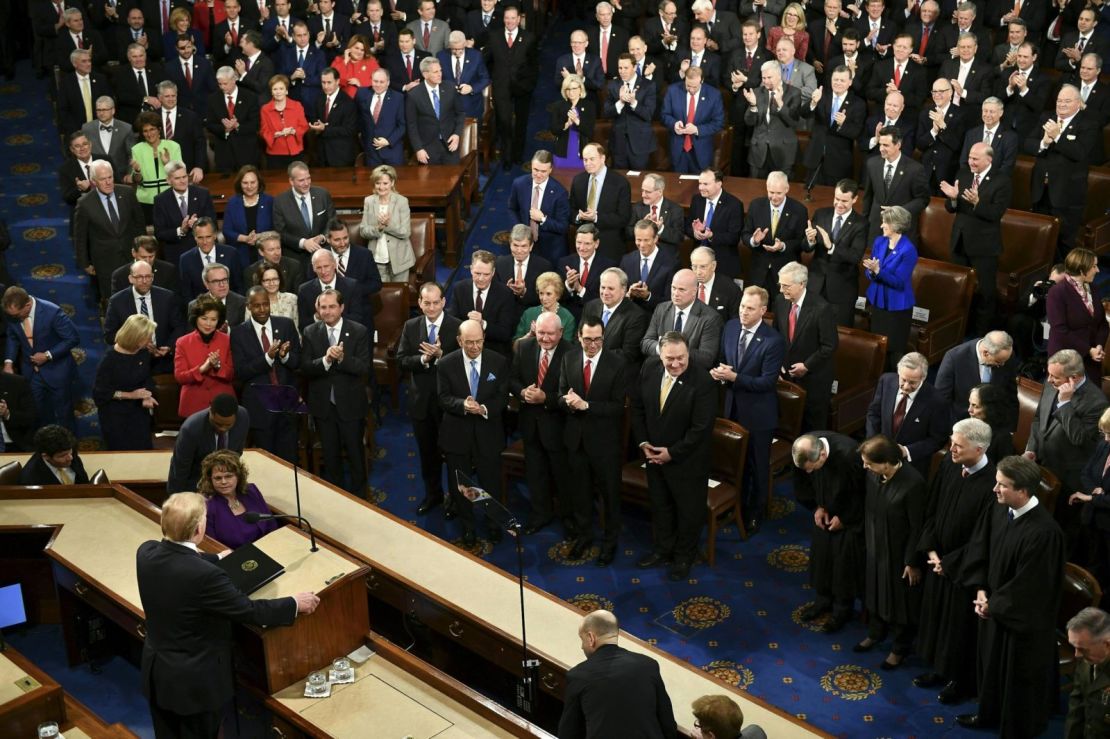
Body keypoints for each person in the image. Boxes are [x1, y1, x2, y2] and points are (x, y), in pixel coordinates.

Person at [136, 492, 318, 739]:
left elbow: (176, 556)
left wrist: (216, 557)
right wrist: (294, 604)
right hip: (194, 685)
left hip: (159, 675)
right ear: (199, 529)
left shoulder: (145, 553)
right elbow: (248, 611)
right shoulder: (205, 576)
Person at [957, 455, 1065, 736]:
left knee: (1013, 680)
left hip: (1019, 622)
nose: (995, 490)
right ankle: (987, 712)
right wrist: (981, 590)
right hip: (991, 608)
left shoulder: (1044, 533)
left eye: (1002, 485)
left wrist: (993, 605)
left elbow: (1030, 586)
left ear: (1023, 491)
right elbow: (980, 548)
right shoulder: (998, 510)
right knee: (989, 667)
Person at [914, 418, 997, 705]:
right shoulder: (950, 464)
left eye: (958, 445)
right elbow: (933, 507)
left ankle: (959, 681)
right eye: (952, 441)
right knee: (936, 621)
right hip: (938, 560)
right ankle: (938, 668)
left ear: (979, 448)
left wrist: (948, 563)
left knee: (958, 630)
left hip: (964, 571)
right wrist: (931, 550)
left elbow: (983, 537)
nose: (951, 448)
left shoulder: (993, 484)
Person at [632, 332, 717, 581]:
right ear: (660, 355)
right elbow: (637, 406)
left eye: (681, 358)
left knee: (688, 512)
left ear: (688, 353)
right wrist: (643, 442)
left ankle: (684, 557)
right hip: (654, 456)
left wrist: (671, 453)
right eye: (670, 359)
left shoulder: (702, 381)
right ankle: (663, 549)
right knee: (661, 506)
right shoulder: (649, 367)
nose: (676, 364)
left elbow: (701, 429)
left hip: (687, 462)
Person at [713, 286, 785, 533]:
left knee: (756, 466)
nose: (743, 312)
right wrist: (720, 374)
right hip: (731, 408)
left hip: (758, 414)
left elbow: (767, 382)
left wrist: (734, 377)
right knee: (734, 463)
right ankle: (737, 505)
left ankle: (756, 512)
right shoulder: (731, 327)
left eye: (750, 308)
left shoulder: (773, 341)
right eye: (743, 306)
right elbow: (725, 359)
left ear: (763, 311)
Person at [559, 317, 629, 566]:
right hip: (576, 441)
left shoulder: (618, 363)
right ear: (579, 337)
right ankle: (584, 535)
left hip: (605, 443)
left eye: (598, 339)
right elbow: (561, 394)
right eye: (587, 339)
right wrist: (567, 402)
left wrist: (586, 405)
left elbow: (618, 407)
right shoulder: (569, 358)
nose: (593, 344)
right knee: (580, 493)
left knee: (610, 496)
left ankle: (610, 543)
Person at [1025, 349, 1109, 548]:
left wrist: (1065, 404)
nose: (1049, 379)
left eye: (1055, 376)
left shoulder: (1096, 402)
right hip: (1041, 464)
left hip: (1068, 477)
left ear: (1074, 378)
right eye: (1049, 374)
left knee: (1059, 531)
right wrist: (1032, 448)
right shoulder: (1051, 382)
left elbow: (1080, 439)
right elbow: (1038, 420)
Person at [437, 319, 509, 548]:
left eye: (479, 341)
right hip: (457, 434)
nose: (475, 347)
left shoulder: (498, 362)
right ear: (459, 341)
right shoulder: (446, 364)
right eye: (469, 342)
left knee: (491, 483)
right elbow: (443, 398)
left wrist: (484, 409)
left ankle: (493, 525)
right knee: (461, 486)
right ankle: (467, 528)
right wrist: (462, 405)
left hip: (488, 433)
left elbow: (501, 396)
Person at [857, 434, 926, 670]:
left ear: (886, 462)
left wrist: (912, 561)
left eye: (869, 463)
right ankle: (875, 633)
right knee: (874, 592)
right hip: (876, 548)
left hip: (899, 556)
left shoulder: (913, 483)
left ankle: (899, 649)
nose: (865, 467)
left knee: (899, 604)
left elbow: (918, 526)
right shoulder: (874, 475)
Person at [558, 609, 677, 739]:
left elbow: (569, 733)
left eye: (582, 639)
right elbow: (668, 723)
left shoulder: (577, 676)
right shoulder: (648, 665)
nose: (582, 646)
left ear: (591, 638)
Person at [398, 282, 461, 516]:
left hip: (450, 404)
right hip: (421, 403)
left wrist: (441, 355)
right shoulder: (411, 326)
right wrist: (423, 360)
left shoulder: (457, 327)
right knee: (427, 454)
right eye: (427, 302)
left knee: (453, 456)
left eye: (436, 302)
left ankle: (456, 501)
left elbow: (464, 361)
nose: (432, 307)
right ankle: (433, 495)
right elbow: (402, 360)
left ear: (444, 302)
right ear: (420, 303)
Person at [301, 289, 371, 497]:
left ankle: (361, 498)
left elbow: (363, 367)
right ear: (317, 309)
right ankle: (337, 498)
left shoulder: (358, 331)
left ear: (341, 308)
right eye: (323, 307)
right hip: (323, 406)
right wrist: (326, 360)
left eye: (332, 306)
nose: (328, 311)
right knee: (331, 457)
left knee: (355, 455)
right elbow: (305, 368)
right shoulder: (310, 332)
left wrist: (341, 358)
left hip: (350, 404)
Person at [793, 431, 866, 632]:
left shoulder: (851, 455)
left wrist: (845, 518)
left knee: (843, 565)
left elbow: (862, 493)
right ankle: (822, 600)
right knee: (822, 558)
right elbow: (803, 483)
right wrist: (817, 507)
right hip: (824, 512)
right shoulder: (804, 448)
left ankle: (842, 610)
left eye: (813, 468)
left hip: (848, 519)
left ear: (823, 456)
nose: (809, 472)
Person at [510, 312, 573, 536]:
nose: (544, 338)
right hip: (529, 424)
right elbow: (513, 378)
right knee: (535, 473)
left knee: (562, 475)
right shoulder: (524, 347)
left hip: (558, 426)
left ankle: (569, 518)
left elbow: (570, 394)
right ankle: (540, 514)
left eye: (549, 334)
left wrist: (545, 398)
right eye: (541, 333)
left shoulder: (571, 352)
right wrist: (521, 391)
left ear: (561, 333)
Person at [942, 142, 1013, 337]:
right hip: (960, 241)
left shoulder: (1002, 181)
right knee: (958, 291)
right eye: (970, 157)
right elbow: (951, 208)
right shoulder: (963, 174)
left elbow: (996, 213)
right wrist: (954, 198)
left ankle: (981, 336)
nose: (970, 161)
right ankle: (957, 331)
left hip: (984, 247)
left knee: (985, 294)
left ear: (989, 159)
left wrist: (977, 203)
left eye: (975, 158)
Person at [1028, 85, 1100, 258]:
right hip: (1041, 192)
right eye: (1059, 100)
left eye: (1067, 101)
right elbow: (1028, 143)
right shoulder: (1047, 117)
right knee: (1040, 243)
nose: (1061, 104)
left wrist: (1058, 136)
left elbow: (1079, 152)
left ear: (1078, 103)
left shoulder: (1088, 124)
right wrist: (1044, 143)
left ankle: (1065, 282)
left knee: (1063, 245)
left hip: (1067, 196)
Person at [230, 286, 301, 463]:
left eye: (265, 304)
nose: (262, 310)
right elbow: (241, 372)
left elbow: (298, 362)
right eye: (257, 306)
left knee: (289, 461)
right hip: (259, 407)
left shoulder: (285, 325)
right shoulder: (238, 333)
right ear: (248, 306)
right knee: (268, 462)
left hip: (287, 405)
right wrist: (267, 358)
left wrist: (285, 357)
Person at [2, 287, 80, 432]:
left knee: (63, 413)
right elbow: (13, 337)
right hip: (30, 373)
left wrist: (48, 355)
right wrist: (8, 362)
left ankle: (68, 446)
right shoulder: (12, 316)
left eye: (18, 314)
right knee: (35, 412)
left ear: (27, 305)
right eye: (12, 315)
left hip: (57, 370)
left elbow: (72, 338)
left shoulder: (52, 312)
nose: (16, 318)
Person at [774, 262, 838, 432]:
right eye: (780, 284)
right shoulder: (780, 301)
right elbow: (775, 336)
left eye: (786, 286)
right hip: (786, 375)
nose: (781, 290)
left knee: (811, 429)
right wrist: (777, 362)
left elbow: (829, 345)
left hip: (813, 380)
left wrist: (807, 366)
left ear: (801, 284)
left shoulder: (821, 308)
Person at [73, 160, 147, 303]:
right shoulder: (85, 203)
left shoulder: (127, 193)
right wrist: (85, 263)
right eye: (102, 179)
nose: (108, 182)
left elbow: (139, 224)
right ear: (94, 181)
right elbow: (80, 237)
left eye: (110, 177)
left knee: (139, 295)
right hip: (104, 261)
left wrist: (142, 250)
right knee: (113, 300)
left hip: (131, 255)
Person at [864, 352, 948, 478]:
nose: (906, 386)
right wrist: (873, 444)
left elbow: (937, 440)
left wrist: (906, 451)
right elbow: (874, 414)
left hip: (911, 468)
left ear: (923, 378)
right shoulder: (886, 381)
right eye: (903, 380)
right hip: (878, 462)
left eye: (913, 382)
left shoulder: (936, 401)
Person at [803, 179, 867, 327]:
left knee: (838, 334)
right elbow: (805, 247)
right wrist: (810, 240)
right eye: (837, 199)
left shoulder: (861, 224)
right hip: (815, 285)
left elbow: (855, 256)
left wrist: (831, 247)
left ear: (855, 199)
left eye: (844, 201)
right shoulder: (821, 214)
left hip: (841, 290)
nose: (839, 204)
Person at [104, 261, 183, 376]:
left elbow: (179, 326)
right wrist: (137, 344)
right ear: (131, 278)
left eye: (148, 276)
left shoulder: (167, 297)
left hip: (163, 360)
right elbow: (109, 335)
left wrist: (169, 347)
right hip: (131, 360)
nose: (145, 281)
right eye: (140, 277)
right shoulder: (117, 301)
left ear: (152, 277)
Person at [864, 205, 918, 371]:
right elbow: (870, 272)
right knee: (878, 345)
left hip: (897, 307)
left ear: (895, 225)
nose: (881, 226)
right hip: (878, 302)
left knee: (893, 351)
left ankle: (895, 383)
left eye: (885, 223)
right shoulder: (879, 242)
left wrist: (878, 271)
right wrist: (872, 272)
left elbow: (899, 282)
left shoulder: (909, 250)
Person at [94, 314, 158, 451]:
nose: (150, 340)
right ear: (135, 337)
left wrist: (147, 395)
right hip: (115, 414)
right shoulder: (109, 360)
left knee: (144, 451)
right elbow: (100, 393)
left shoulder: (143, 352)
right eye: (147, 337)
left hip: (139, 410)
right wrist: (130, 395)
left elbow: (147, 377)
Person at [485, 6, 537, 168]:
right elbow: (487, 60)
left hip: (523, 87)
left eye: (513, 18)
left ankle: (517, 155)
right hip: (501, 87)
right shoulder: (494, 37)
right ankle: (506, 158)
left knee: (521, 122)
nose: (509, 21)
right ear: (503, 19)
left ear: (519, 19)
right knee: (504, 122)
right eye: (507, 18)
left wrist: (529, 85)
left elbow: (534, 65)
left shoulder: (529, 37)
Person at [167, 394, 250, 494]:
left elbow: (236, 453)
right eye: (218, 424)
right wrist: (175, 496)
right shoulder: (191, 429)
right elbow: (180, 467)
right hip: (197, 481)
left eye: (228, 425)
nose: (223, 429)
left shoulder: (243, 417)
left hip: (226, 483)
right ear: (210, 411)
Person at [935, 331, 1019, 429]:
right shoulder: (954, 358)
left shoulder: (1005, 356)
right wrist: (955, 431)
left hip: (994, 426)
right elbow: (941, 402)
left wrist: (1010, 430)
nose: (1003, 365)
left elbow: (1011, 395)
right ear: (985, 353)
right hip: (962, 425)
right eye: (998, 362)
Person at [640, 269, 723, 369]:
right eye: (673, 288)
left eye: (681, 289)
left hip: (690, 373)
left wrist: (675, 351)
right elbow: (645, 343)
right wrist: (662, 349)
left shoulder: (710, 318)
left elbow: (706, 358)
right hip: (660, 369)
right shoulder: (661, 309)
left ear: (694, 291)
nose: (675, 293)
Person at [1047, 247, 1108, 383]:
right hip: (1065, 360)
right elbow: (1060, 332)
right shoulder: (1057, 293)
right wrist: (1088, 350)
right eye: (1094, 266)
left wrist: (1098, 346)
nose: (1098, 270)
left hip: (1091, 358)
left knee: (1093, 400)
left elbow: (1102, 323)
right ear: (1082, 270)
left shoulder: (1093, 288)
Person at [742, 171, 808, 294]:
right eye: (771, 192)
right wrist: (754, 240)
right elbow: (745, 234)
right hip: (758, 272)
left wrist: (783, 246)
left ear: (787, 189)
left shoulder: (799, 210)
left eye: (779, 193)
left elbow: (801, 242)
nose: (774, 197)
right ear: (767, 188)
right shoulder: (756, 206)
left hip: (785, 275)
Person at [198, 449, 279, 548]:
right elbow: (213, 546)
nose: (223, 482)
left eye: (228, 476)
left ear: (238, 476)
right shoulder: (207, 506)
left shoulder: (251, 491)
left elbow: (271, 525)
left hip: (267, 549)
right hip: (234, 558)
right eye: (218, 478)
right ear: (210, 480)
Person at [801, 66, 865, 187]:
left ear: (850, 82)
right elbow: (803, 114)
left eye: (842, 80)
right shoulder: (821, 95)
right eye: (835, 79)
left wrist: (843, 124)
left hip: (838, 162)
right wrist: (813, 102)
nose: (838, 83)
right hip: (815, 157)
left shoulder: (858, 104)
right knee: (809, 195)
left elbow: (857, 132)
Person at [446, 250, 516, 359]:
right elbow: (452, 322)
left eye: (486, 274)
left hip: (493, 352)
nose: (481, 278)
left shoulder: (505, 294)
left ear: (493, 273)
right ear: (471, 270)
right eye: (477, 273)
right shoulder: (459, 289)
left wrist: (483, 323)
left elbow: (505, 333)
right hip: (464, 350)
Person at [175, 295, 235, 418]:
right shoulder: (182, 342)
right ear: (195, 318)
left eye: (213, 319)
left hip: (223, 405)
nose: (208, 324)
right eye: (204, 318)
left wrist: (218, 366)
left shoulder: (227, 340)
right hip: (193, 405)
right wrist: (203, 368)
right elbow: (180, 377)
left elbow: (233, 374)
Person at [569, 144, 632, 263]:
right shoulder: (578, 180)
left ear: (603, 158)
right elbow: (571, 210)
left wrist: (596, 217)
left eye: (592, 159)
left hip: (609, 244)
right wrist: (578, 216)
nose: (587, 163)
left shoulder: (620, 183)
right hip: (583, 246)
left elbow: (623, 217)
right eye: (585, 160)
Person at [1069, 408, 1110, 586]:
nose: (1107, 439)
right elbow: (1086, 472)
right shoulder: (1104, 445)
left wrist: (1090, 498)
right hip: (1092, 519)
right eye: (1104, 433)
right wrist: (1095, 489)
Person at [508, 150, 570, 265]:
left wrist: (543, 219)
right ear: (531, 166)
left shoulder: (560, 193)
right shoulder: (519, 184)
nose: (539, 174)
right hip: (523, 247)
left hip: (550, 250)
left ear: (550, 170)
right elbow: (512, 208)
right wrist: (519, 228)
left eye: (543, 171)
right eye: (535, 170)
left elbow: (563, 227)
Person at [272, 161, 337, 272]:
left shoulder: (322, 194)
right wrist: (303, 243)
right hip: (296, 259)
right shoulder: (280, 201)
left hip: (322, 255)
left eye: (308, 178)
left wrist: (322, 237)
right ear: (291, 181)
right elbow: (280, 232)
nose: (306, 183)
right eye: (301, 180)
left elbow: (332, 221)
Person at [661, 66, 725, 175]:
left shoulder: (713, 95)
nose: (691, 90)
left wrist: (697, 129)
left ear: (702, 80)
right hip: (678, 149)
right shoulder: (673, 91)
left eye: (694, 87)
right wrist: (674, 124)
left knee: (699, 188)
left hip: (701, 150)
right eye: (688, 86)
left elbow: (718, 123)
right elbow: (664, 115)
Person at [152, 160, 218, 265]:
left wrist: (198, 223)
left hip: (203, 250)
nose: (182, 181)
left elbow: (213, 222)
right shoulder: (161, 200)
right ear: (168, 180)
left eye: (184, 177)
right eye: (177, 178)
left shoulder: (202, 194)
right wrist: (181, 230)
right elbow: (159, 233)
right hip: (176, 254)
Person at [742, 62, 801, 178]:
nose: (765, 81)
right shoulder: (757, 92)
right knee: (754, 190)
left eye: (769, 77)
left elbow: (793, 122)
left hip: (783, 152)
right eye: (763, 78)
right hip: (759, 151)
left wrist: (780, 104)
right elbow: (749, 122)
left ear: (779, 75)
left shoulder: (794, 93)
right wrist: (753, 105)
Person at [359, 164, 414, 282]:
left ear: (392, 183)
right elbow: (363, 231)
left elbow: (406, 232)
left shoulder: (402, 201)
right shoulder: (369, 201)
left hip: (400, 260)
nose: (381, 187)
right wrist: (378, 228)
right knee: (381, 297)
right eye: (378, 183)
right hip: (377, 259)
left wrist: (387, 225)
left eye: (385, 183)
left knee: (400, 296)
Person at [582, 266, 650, 363]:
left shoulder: (636, 316)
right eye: (603, 287)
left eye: (611, 288)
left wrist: (595, 355)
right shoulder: (590, 306)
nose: (605, 292)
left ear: (623, 290)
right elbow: (579, 337)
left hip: (616, 370)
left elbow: (628, 353)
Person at [686, 168, 744, 279]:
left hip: (722, 264)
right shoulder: (697, 200)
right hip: (697, 262)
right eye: (700, 183)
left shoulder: (734, 205)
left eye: (706, 184)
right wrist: (695, 232)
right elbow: (687, 226)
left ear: (719, 184)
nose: (701, 187)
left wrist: (711, 235)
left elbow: (734, 237)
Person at [406, 57, 465, 165]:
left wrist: (457, 134)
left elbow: (460, 113)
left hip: (450, 145)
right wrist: (418, 149)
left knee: (454, 179)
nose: (440, 74)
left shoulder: (450, 88)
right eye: (435, 72)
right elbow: (411, 125)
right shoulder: (414, 95)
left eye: (440, 70)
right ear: (425, 74)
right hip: (428, 148)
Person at [128, 111, 182, 225]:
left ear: (159, 130)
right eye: (145, 131)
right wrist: (137, 171)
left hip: (170, 198)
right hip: (146, 201)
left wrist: (168, 163)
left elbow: (180, 175)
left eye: (152, 129)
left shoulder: (173, 146)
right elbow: (138, 180)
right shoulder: (137, 149)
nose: (149, 134)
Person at [604, 53, 656, 170]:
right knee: (619, 179)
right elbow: (607, 112)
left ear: (635, 67)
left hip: (640, 144)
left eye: (626, 68)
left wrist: (633, 102)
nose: (622, 71)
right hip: (618, 144)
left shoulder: (648, 85)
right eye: (620, 68)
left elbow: (648, 114)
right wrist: (621, 102)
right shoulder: (613, 85)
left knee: (639, 179)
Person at [207, 66, 262, 175]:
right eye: (219, 84)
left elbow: (255, 124)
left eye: (225, 83)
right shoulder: (213, 99)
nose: (222, 87)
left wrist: (238, 126)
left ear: (234, 79)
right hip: (224, 154)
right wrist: (225, 129)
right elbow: (210, 124)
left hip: (247, 153)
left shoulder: (250, 97)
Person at [1065, 607, 1110, 736]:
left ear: (1107, 645)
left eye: (1082, 649)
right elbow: (1076, 708)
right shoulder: (1086, 660)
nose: (1076, 655)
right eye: (1074, 647)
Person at [179, 217, 243, 301]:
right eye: (200, 238)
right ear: (195, 238)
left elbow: (239, 286)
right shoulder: (186, 259)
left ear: (215, 235)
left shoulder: (231, 254)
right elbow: (186, 294)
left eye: (208, 237)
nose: (205, 242)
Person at [621, 220, 678, 315]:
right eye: (638, 240)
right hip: (630, 316)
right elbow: (619, 292)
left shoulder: (671, 263)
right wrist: (629, 294)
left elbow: (671, 300)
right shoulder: (626, 260)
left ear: (656, 238)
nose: (642, 245)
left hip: (656, 318)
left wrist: (648, 296)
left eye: (646, 240)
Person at [222, 166, 274, 270]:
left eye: (253, 182)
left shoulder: (270, 201)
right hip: (241, 253)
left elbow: (276, 228)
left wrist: (260, 236)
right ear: (240, 184)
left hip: (265, 253)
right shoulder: (232, 203)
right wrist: (245, 239)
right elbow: (227, 230)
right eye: (245, 183)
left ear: (258, 182)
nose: (249, 186)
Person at [308, 68, 359, 168]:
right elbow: (314, 117)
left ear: (337, 81)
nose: (326, 86)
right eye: (323, 82)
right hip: (321, 155)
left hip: (340, 156)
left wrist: (325, 128)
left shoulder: (348, 102)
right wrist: (316, 125)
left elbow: (350, 130)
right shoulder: (319, 98)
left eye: (329, 82)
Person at [357, 68, 407, 167]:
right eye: (375, 81)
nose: (378, 85)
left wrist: (388, 141)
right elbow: (358, 119)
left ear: (388, 83)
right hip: (371, 153)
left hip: (392, 152)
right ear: (371, 80)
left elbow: (402, 125)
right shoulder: (362, 94)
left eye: (382, 82)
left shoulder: (398, 98)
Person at [629, 174, 685, 260]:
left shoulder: (675, 210)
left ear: (659, 192)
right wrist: (642, 226)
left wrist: (661, 229)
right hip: (642, 255)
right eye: (642, 190)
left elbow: (678, 237)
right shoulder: (637, 208)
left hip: (667, 258)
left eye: (648, 192)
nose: (643, 195)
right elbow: (627, 232)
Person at [259, 74, 308, 170]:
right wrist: (275, 134)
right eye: (275, 89)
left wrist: (294, 131)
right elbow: (264, 131)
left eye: (281, 88)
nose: (278, 92)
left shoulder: (297, 106)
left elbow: (304, 126)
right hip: (275, 153)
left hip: (295, 151)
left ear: (286, 91)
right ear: (271, 92)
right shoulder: (265, 109)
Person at [438, 30, 490, 120]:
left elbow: (485, 78)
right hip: (448, 108)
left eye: (460, 49)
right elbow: (438, 79)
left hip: (471, 106)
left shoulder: (476, 56)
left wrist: (471, 88)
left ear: (465, 43)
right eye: (454, 49)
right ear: (449, 45)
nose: (457, 52)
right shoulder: (441, 56)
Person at [959, 98, 1019, 175]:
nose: (987, 115)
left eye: (992, 112)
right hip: (972, 181)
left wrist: (985, 183)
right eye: (985, 111)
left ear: (1001, 113)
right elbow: (963, 162)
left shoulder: (1010, 137)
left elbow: (1007, 167)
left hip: (996, 183)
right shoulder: (971, 134)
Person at [514, 271, 577, 343]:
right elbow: (515, 345)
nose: (544, 298)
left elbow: (567, 349)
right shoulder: (528, 314)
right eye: (541, 293)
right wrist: (530, 335)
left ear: (557, 294)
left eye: (548, 294)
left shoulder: (567, 318)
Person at [548, 74, 595, 169]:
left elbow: (590, 132)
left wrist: (577, 122)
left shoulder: (589, 106)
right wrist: (566, 124)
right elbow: (554, 130)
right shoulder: (558, 106)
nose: (571, 92)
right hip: (562, 153)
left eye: (574, 88)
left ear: (580, 89)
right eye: (568, 89)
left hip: (582, 154)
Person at [83, 96, 136, 180]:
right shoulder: (87, 128)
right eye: (98, 110)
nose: (101, 113)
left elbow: (132, 154)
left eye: (104, 110)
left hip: (121, 177)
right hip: (97, 178)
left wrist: (130, 174)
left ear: (113, 110)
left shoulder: (126, 128)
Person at [20, 425, 90, 485]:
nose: (70, 458)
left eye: (70, 452)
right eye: (62, 456)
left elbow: (84, 483)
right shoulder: (30, 479)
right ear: (46, 456)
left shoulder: (70, 452)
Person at [690, 246, 741, 322]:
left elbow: (734, 323)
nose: (698, 272)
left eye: (703, 267)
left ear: (713, 266)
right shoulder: (687, 284)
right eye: (694, 267)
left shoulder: (731, 289)